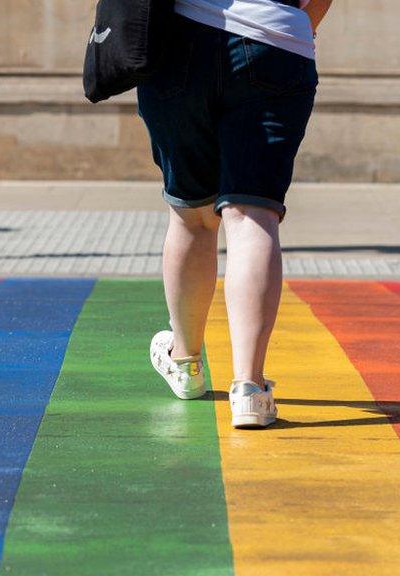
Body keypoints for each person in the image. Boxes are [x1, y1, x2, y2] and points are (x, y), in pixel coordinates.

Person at [143, 0, 332, 428]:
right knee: (252, 214)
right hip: (275, 41)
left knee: (191, 214)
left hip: (179, 40)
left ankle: (186, 362)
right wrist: (293, 26)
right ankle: (249, 388)